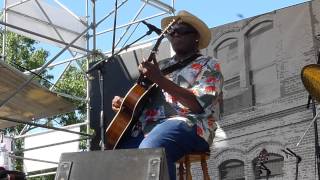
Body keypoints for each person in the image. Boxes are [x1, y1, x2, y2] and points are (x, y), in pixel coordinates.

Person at [111, 10, 223, 180]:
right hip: (147, 127)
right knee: (115, 157)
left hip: (191, 124)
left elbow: (197, 104)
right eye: (172, 32)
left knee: (152, 149)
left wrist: (159, 78)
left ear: (196, 38)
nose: (175, 35)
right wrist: (126, 103)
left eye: (182, 31)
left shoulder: (209, 65)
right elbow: (143, 100)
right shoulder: (162, 66)